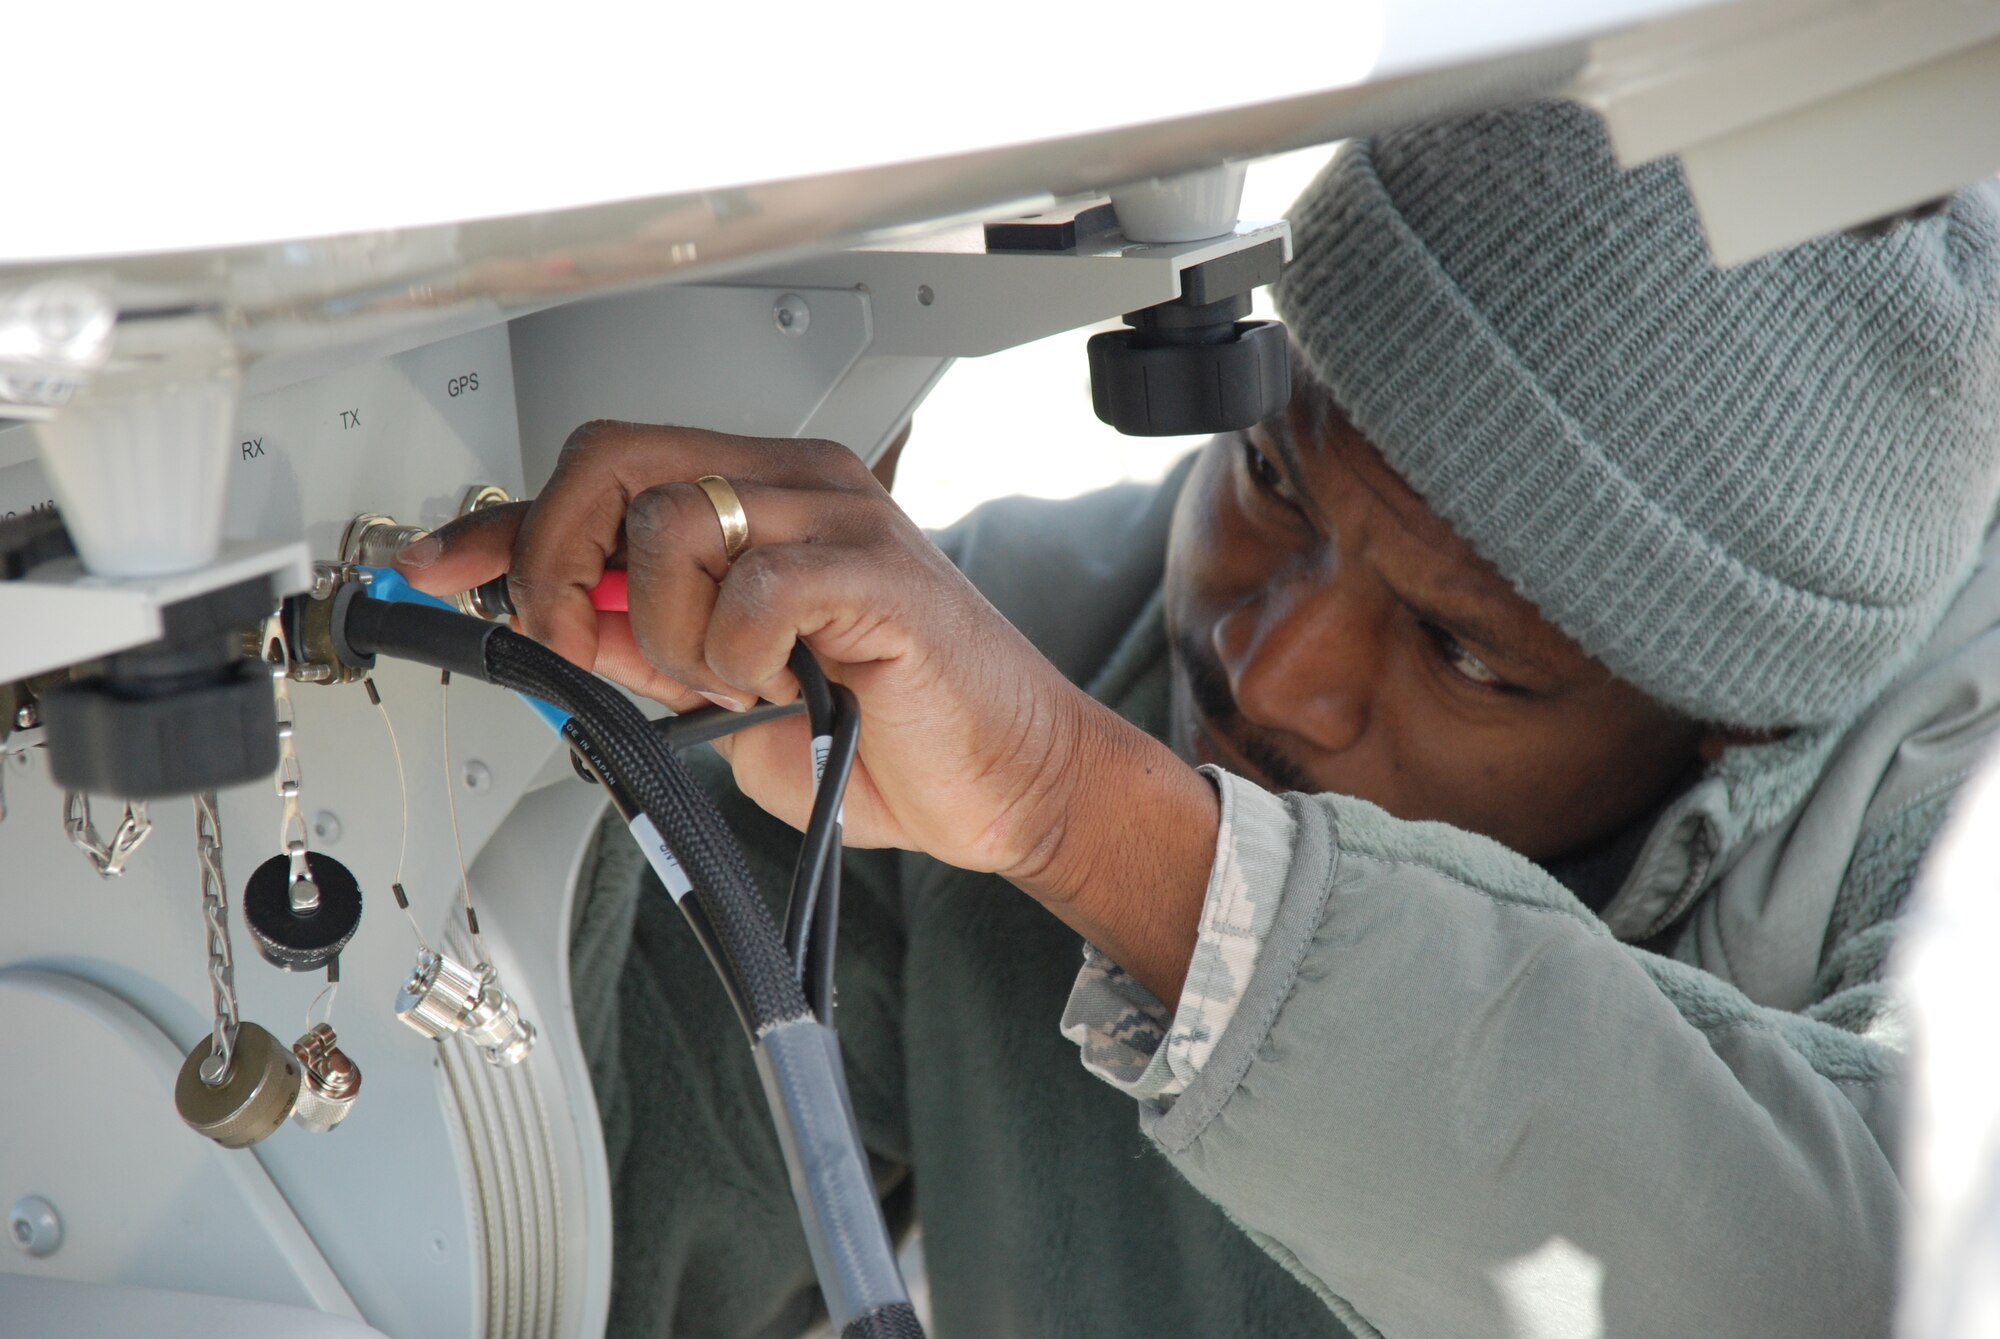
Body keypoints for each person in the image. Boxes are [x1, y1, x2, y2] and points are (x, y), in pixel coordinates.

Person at [398, 101, 2000, 1337]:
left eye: (1461, 650)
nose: (1267, 659)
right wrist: (599, 754)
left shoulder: (1959, 805)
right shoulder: (982, 662)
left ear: (1728, 732)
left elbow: (1870, 1268)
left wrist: (1082, 818)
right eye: (1273, 480)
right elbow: (585, 1248)